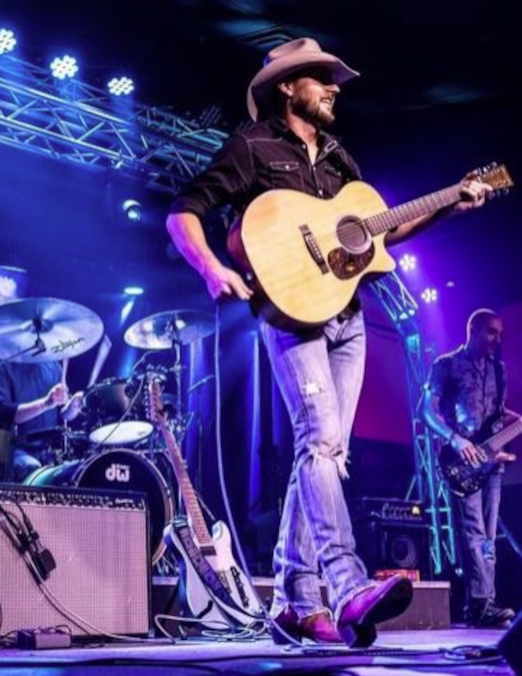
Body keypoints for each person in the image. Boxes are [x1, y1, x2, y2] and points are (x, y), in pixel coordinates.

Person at [166, 37, 493, 647]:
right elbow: (184, 210)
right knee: (318, 441)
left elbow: (378, 236)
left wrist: (451, 203)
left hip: (347, 317)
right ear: (288, 87)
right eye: (321, 78)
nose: (334, 88)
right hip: (289, 316)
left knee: (324, 453)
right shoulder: (251, 145)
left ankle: (295, 600)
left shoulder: (341, 158)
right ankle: (346, 583)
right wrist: (213, 268)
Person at [421, 308, 522, 627]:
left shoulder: (498, 370)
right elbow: (426, 410)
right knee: (473, 532)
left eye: (500, 333)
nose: (497, 339)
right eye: (491, 332)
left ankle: (482, 605)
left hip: (492, 461)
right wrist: (455, 440)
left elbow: (497, 414)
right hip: (461, 461)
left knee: (488, 537)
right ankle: (481, 604)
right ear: (473, 330)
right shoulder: (446, 364)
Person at [0, 267, 84, 482]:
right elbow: (6, 415)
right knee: (32, 468)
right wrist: (46, 402)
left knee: (78, 471)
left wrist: (72, 406)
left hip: (48, 450)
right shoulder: (4, 364)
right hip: (12, 450)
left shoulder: (52, 365)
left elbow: (62, 414)